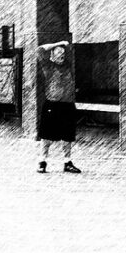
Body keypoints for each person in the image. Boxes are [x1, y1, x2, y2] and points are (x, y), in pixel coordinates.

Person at [36, 41, 81, 174]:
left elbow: (70, 48)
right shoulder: (47, 65)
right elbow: (39, 49)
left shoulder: (67, 64)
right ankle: (42, 162)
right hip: (52, 104)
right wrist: (60, 43)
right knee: (46, 135)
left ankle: (67, 163)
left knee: (67, 135)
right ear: (52, 55)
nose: (62, 55)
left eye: (63, 53)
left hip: (67, 105)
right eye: (59, 53)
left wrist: (64, 46)